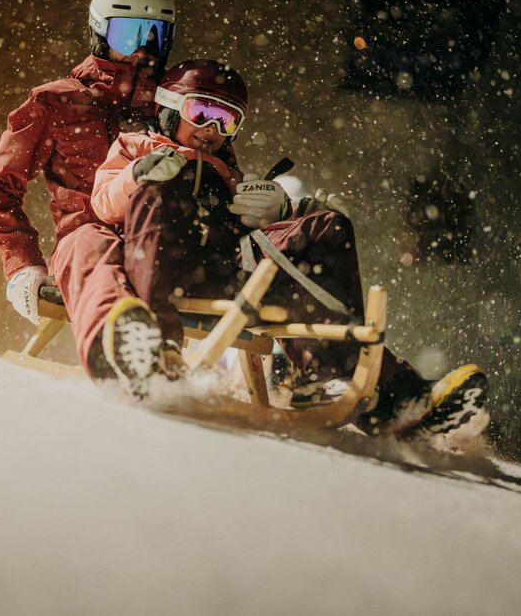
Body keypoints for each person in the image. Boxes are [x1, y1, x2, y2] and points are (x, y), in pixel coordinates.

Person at [88, 59, 489, 440]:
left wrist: (287, 211)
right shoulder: (135, 148)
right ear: (171, 108)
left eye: (227, 120)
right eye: (201, 112)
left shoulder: (226, 172)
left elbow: (252, 231)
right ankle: (158, 350)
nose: (212, 127)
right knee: (161, 188)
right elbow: (103, 202)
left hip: (227, 272)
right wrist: (139, 176)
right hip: (162, 269)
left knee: (328, 227)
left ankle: (350, 382)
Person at [0, 0, 176, 369]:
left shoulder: (172, 104)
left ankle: (305, 363)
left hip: (162, 237)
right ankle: (116, 351)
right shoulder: (57, 103)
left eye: (154, 36)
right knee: (92, 246)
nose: (142, 51)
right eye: (128, 36)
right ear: (100, 33)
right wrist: (21, 265)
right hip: (84, 235)